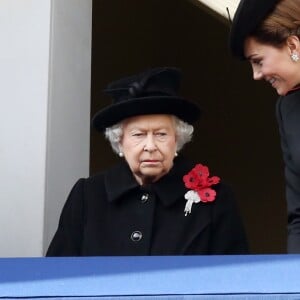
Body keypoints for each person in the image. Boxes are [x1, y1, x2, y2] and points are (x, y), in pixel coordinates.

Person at [46, 67, 248, 256]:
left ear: (176, 139)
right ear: (120, 141)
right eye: (138, 135)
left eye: (161, 134)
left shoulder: (216, 199)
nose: (150, 146)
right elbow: (57, 276)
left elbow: (233, 278)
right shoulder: (88, 196)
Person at [229, 0, 300, 253]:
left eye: (258, 61)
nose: (256, 75)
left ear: (293, 45)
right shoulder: (287, 109)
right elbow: (298, 216)